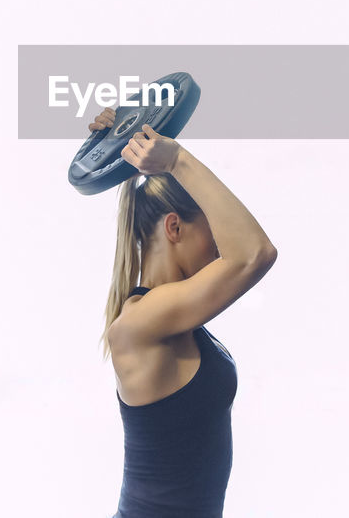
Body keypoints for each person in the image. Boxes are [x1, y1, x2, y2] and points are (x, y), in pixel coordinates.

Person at [89, 108, 278, 518]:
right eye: (214, 239)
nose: (218, 254)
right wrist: (176, 161)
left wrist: (121, 135)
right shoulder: (142, 322)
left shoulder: (174, 316)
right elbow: (254, 255)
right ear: (174, 228)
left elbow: (246, 254)